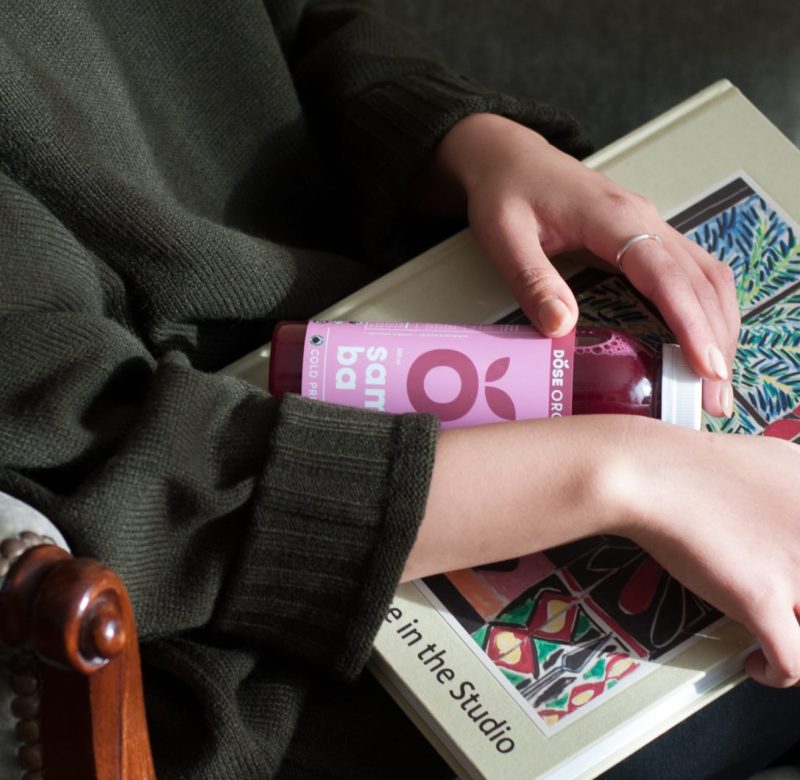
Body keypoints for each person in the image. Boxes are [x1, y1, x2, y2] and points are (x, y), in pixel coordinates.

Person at [0, 1, 798, 778]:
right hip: (259, 648)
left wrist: (472, 147)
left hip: (407, 303)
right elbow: (87, 449)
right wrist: (628, 473)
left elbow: (287, 33)